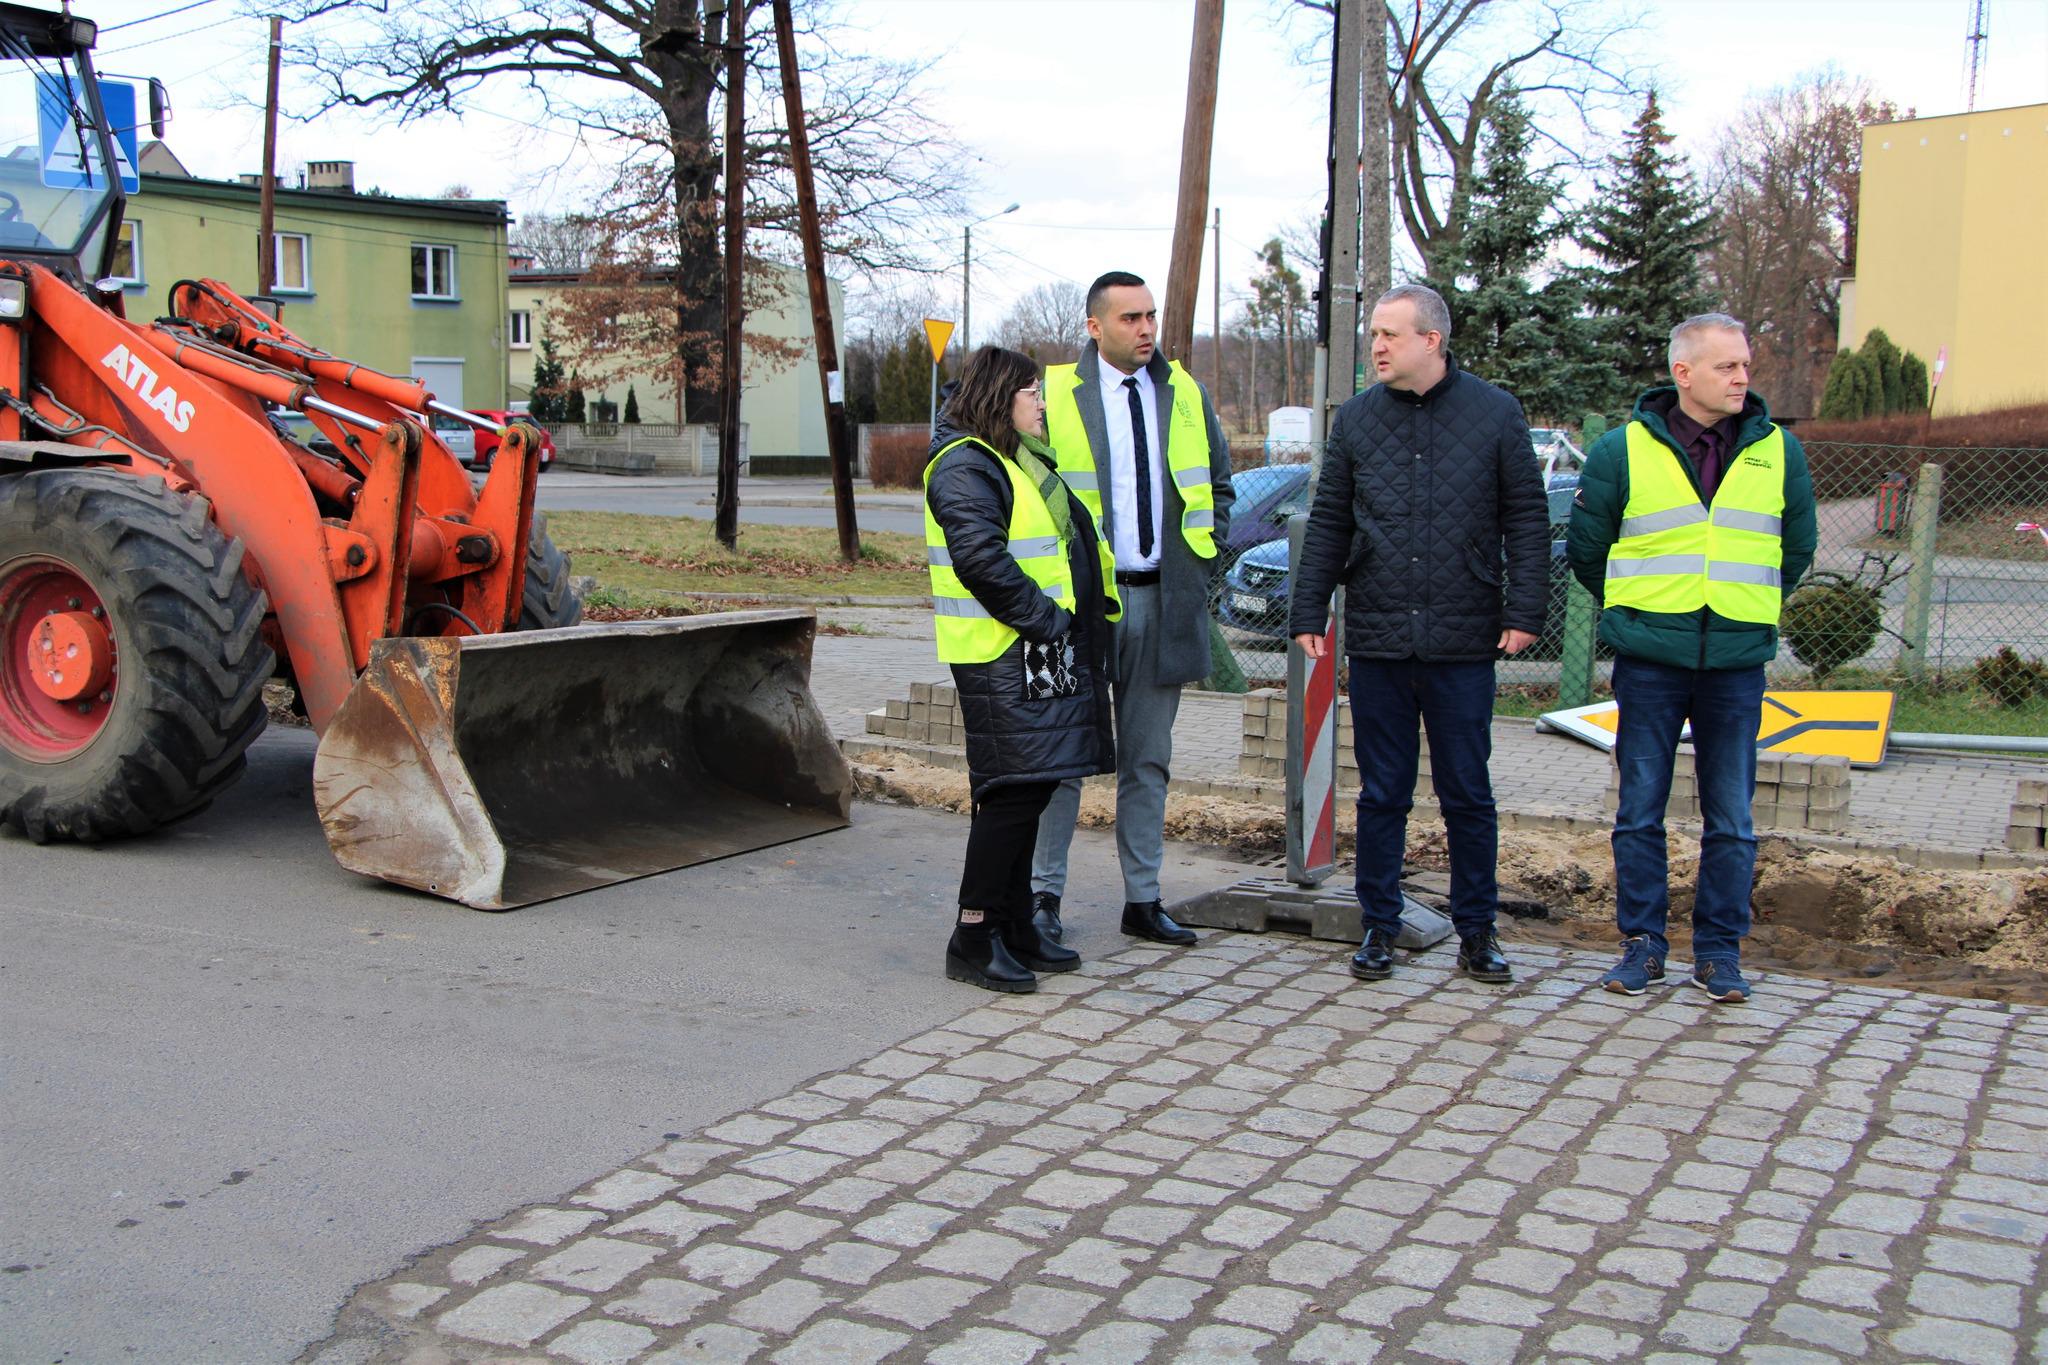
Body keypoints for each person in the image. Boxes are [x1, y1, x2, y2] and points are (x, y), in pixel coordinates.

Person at [1288, 284, 1548, 985]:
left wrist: (1525, 610)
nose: (1375, 346)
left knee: (1467, 790)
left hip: (1464, 640)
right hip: (1378, 636)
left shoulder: (1494, 414)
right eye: (1373, 334)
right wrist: (1308, 610)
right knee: (1382, 792)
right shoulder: (1359, 420)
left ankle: (1478, 930)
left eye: (1389, 335)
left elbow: (1525, 516)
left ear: (1431, 340)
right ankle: (1378, 924)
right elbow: (1331, 519)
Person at [1567, 313, 1816, 1005]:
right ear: (1683, 374)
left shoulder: (1779, 453)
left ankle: (1718, 952)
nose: (1742, 377)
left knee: (1731, 815)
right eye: (1726, 366)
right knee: (1639, 808)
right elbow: (1589, 550)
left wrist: (1742, 603)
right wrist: (1641, 613)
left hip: (1737, 660)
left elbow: (1794, 549)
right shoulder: (1621, 452)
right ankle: (1642, 944)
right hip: (1651, 657)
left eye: (1744, 365)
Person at [1028, 271, 1236, 948]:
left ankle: (1143, 899)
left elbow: (1221, 486)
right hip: (1083, 611)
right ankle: (1041, 898)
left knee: (1149, 759)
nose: (1146, 329)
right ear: (1095, 327)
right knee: (1062, 759)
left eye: (1150, 316)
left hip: (1161, 600)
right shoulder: (1056, 394)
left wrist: (1204, 563)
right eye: (1130, 319)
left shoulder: (1183, 395)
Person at [924, 346, 1120, 993]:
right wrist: (1048, 619)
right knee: (1010, 795)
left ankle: (1011, 925)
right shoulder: (963, 465)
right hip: (997, 652)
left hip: (1025, 651)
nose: (1042, 404)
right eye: (1032, 393)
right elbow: (981, 559)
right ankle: (973, 935)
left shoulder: (1006, 460)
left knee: (1029, 785)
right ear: (1001, 395)